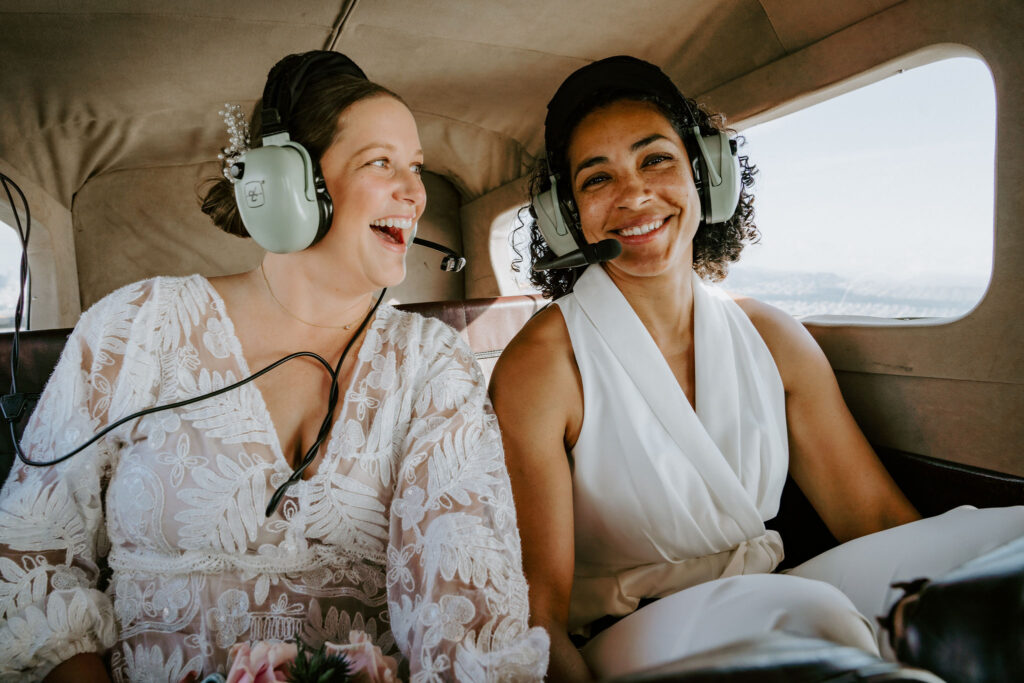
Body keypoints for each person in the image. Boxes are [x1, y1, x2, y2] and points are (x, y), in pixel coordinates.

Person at [0, 51, 548, 682]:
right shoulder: (134, 327)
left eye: (417, 167)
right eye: (381, 163)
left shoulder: (433, 365)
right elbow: (32, 561)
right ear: (292, 185)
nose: (415, 192)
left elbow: (466, 609)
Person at [488, 55, 1023, 681]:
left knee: (996, 541)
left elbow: (875, 521)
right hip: (625, 632)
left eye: (655, 158)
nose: (634, 194)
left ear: (705, 172)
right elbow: (536, 611)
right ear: (567, 218)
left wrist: (945, 596)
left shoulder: (772, 336)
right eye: (596, 179)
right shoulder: (542, 365)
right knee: (804, 610)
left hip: (771, 593)